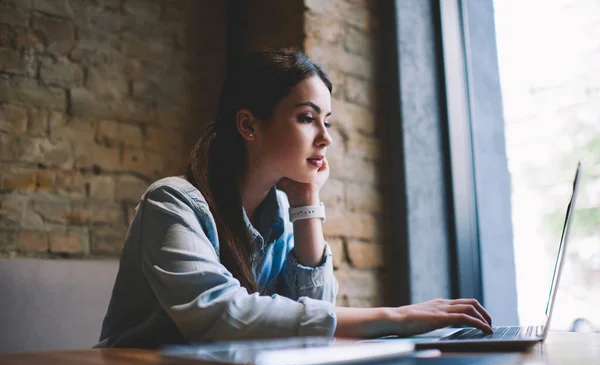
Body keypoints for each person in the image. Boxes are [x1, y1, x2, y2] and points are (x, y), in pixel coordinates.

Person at [95, 48, 492, 349]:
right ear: (249, 125)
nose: (326, 137)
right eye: (307, 117)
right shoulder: (171, 202)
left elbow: (308, 320)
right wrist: (394, 317)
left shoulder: (281, 213)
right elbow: (221, 315)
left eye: (327, 121)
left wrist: (306, 201)